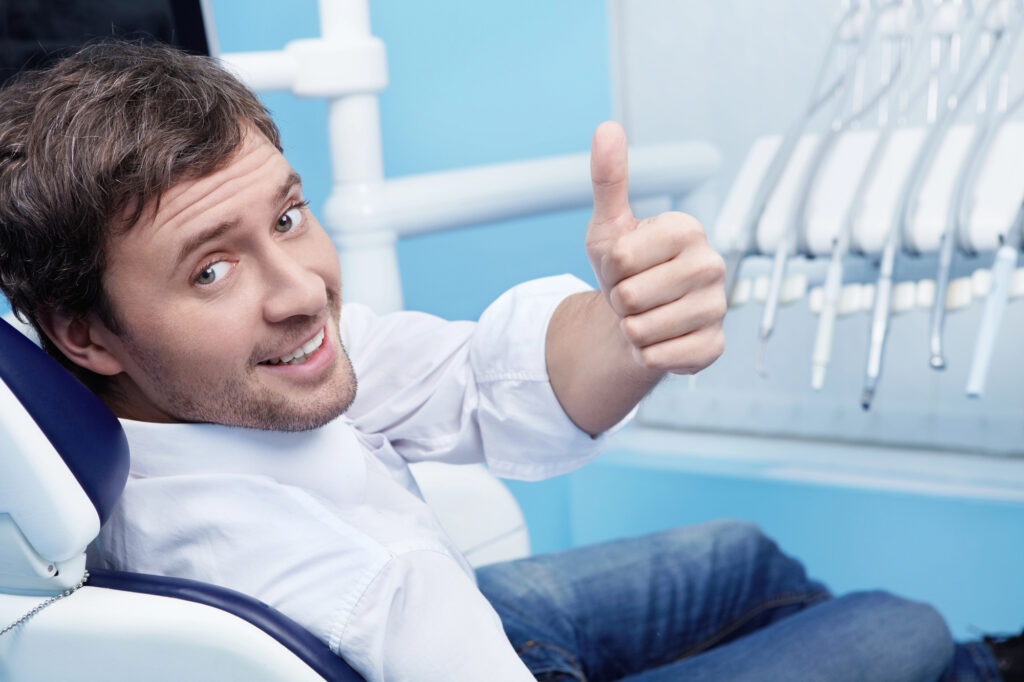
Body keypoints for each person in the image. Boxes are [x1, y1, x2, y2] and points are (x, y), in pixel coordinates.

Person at [0, 40, 1018, 682]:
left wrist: (625, 330)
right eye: (213, 269)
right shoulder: (358, 576)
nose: (302, 286)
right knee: (900, 625)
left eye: (288, 215)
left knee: (739, 550)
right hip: (456, 651)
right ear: (82, 332)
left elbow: (478, 376)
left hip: (472, 623)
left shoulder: (201, 395)